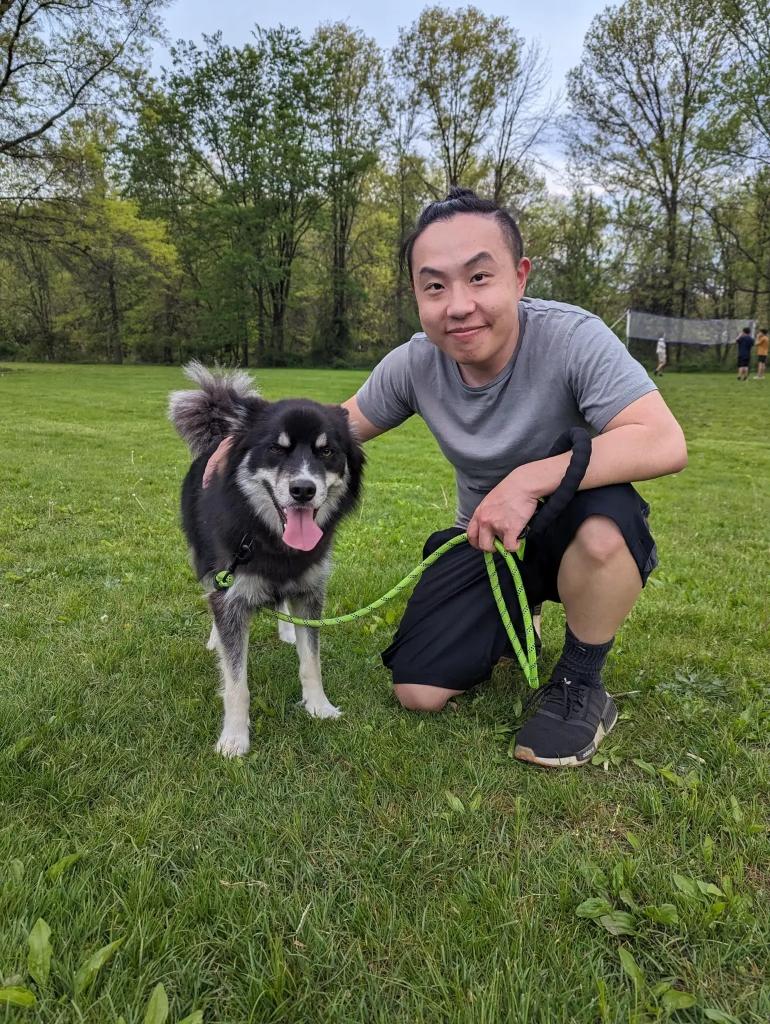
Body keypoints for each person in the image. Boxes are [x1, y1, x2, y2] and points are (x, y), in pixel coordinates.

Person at [204, 188, 687, 768]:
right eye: (435, 285)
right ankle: (518, 620)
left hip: (574, 524)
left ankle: (581, 682)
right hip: (484, 536)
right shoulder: (414, 362)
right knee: (419, 690)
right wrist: (253, 436)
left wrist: (529, 480)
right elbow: (336, 426)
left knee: (606, 525)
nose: (458, 305)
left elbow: (663, 440)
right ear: (417, 295)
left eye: (479, 277)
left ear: (520, 276)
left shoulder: (573, 338)